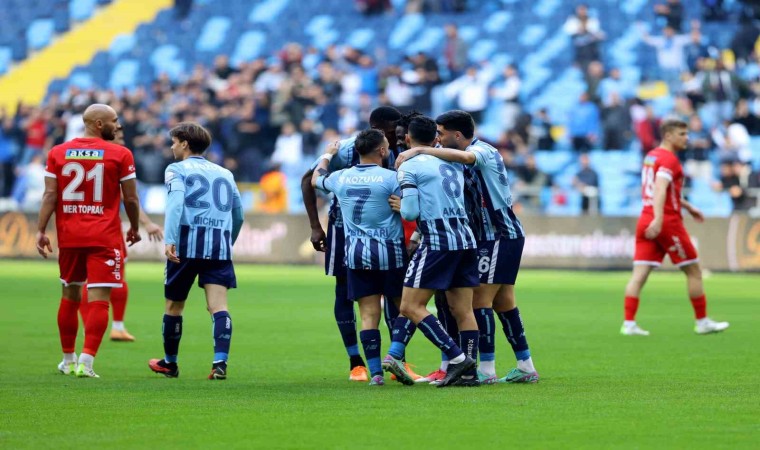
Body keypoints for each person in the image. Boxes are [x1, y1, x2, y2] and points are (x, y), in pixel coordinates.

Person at [397, 110, 539, 384]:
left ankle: (486, 370)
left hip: (498, 234)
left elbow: (466, 159)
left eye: (441, 134)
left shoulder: (483, 151)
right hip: (487, 236)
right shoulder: (451, 159)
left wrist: (420, 149)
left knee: (479, 301)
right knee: (504, 302)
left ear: (458, 135)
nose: (438, 139)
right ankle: (525, 365)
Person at [301, 106, 423, 382]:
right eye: (392, 133)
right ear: (378, 133)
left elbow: (318, 178)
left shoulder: (401, 147)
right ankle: (356, 362)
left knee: (392, 299)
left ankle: (396, 362)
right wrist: (315, 226)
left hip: (382, 231)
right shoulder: (347, 149)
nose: (398, 138)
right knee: (346, 291)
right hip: (345, 229)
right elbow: (307, 180)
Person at [36, 104, 142, 378]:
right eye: (114, 120)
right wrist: (134, 227)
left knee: (69, 296)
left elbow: (50, 195)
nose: (118, 125)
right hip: (104, 236)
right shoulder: (120, 154)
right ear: (98, 124)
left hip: (69, 236)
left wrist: (41, 230)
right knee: (99, 299)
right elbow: (131, 198)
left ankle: (67, 360)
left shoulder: (58, 152)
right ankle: (87, 362)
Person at [381, 115, 480, 388]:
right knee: (463, 309)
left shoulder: (408, 166)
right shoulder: (451, 160)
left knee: (409, 306)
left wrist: (402, 205)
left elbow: (410, 212)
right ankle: (469, 375)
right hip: (465, 238)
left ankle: (458, 359)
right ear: (435, 137)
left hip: (438, 240)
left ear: (408, 138)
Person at [148, 122, 244, 380]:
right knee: (218, 307)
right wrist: (228, 241)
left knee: (174, 306)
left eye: (173, 142)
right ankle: (220, 363)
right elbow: (238, 215)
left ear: (184, 143)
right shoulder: (225, 173)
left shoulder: (176, 169)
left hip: (186, 246)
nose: (171, 147)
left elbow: (176, 203)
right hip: (219, 248)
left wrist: (170, 239)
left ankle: (170, 363)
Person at [622, 119, 729, 336]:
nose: (686, 138)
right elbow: (660, 189)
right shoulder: (670, 159)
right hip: (666, 221)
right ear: (668, 136)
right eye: (682, 134)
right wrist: (659, 219)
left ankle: (629, 324)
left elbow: (664, 189)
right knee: (694, 271)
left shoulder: (651, 156)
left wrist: (688, 207)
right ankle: (702, 322)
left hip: (645, 217)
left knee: (639, 274)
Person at [79, 127, 163, 342]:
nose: (124, 142)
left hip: (77, 226)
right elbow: (129, 198)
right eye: (120, 137)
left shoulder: (78, 157)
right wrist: (145, 224)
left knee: (81, 280)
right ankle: (114, 327)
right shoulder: (115, 159)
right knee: (115, 276)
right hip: (106, 228)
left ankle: (89, 328)